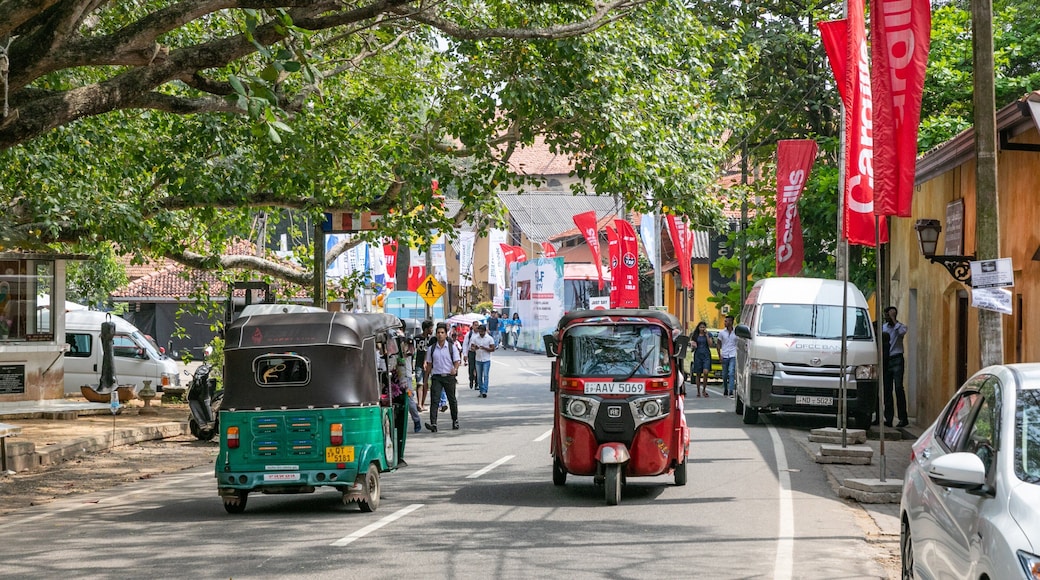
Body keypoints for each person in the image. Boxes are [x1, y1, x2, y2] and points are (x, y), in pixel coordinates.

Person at [423, 322, 461, 432]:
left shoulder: (451, 347)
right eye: (438, 332)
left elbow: (457, 360)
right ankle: (433, 423)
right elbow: (429, 364)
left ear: (446, 334)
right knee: (435, 400)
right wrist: (426, 380)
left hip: (449, 377)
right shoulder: (432, 348)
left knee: (452, 400)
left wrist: (455, 369)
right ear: (436, 334)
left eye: (442, 333)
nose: (440, 335)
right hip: (437, 377)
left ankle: (455, 420)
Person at [883, 306, 910, 428]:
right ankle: (888, 419)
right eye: (886, 315)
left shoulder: (900, 327)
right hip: (887, 360)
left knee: (898, 388)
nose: (886, 317)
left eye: (888, 315)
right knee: (887, 390)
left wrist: (894, 320)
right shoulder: (883, 328)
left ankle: (903, 418)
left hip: (897, 359)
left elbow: (902, 332)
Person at [468, 323, 496, 397]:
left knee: (486, 375)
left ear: (485, 331)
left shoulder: (489, 338)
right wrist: (475, 348)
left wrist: (485, 348)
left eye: (482, 332)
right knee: (479, 376)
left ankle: (485, 390)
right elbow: (472, 347)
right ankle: (481, 390)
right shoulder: (475, 338)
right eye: (479, 331)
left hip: (486, 359)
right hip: (478, 359)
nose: (481, 333)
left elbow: (493, 349)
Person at [691, 321, 715, 398]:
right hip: (698, 354)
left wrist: (707, 335)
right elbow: (692, 344)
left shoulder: (708, 334)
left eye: (703, 327)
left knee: (705, 372)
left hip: (706, 354)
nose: (702, 329)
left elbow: (710, 344)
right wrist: (693, 345)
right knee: (698, 373)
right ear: (698, 327)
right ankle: (698, 391)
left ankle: (704, 389)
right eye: (701, 327)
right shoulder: (695, 335)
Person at [414, 319, 434, 411]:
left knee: (425, 384)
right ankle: (419, 404)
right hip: (418, 363)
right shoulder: (417, 338)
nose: (432, 330)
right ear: (426, 329)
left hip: (429, 364)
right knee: (419, 383)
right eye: (431, 328)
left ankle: (422, 403)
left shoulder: (431, 339)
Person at [716, 315, 738, 397]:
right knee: (725, 374)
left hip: (733, 354)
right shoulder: (722, 333)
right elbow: (718, 344)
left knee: (731, 372)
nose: (725, 323)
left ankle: (731, 390)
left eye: (727, 321)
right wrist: (719, 355)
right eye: (725, 321)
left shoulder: (736, 332)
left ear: (731, 322)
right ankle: (725, 388)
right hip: (724, 355)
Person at [461, 325, 478, 389]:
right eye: (475, 325)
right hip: (471, 353)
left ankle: (477, 383)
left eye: (477, 325)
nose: (477, 327)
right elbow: (465, 344)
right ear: (473, 326)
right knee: (471, 368)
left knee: (477, 368)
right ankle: (471, 379)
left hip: (478, 353)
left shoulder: (480, 334)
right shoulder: (469, 334)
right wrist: (465, 354)